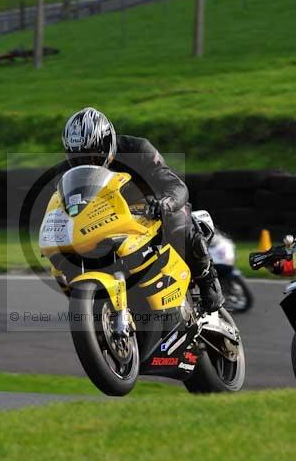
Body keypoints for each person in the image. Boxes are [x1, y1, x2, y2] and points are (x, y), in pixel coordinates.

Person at [60, 107, 224, 313]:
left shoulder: (137, 149)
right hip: (109, 221)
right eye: (78, 157)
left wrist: (166, 202)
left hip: (151, 211)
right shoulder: (70, 171)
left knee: (176, 218)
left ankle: (207, 278)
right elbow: (61, 204)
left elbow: (176, 186)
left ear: (107, 143)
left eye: (92, 155)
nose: (87, 162)